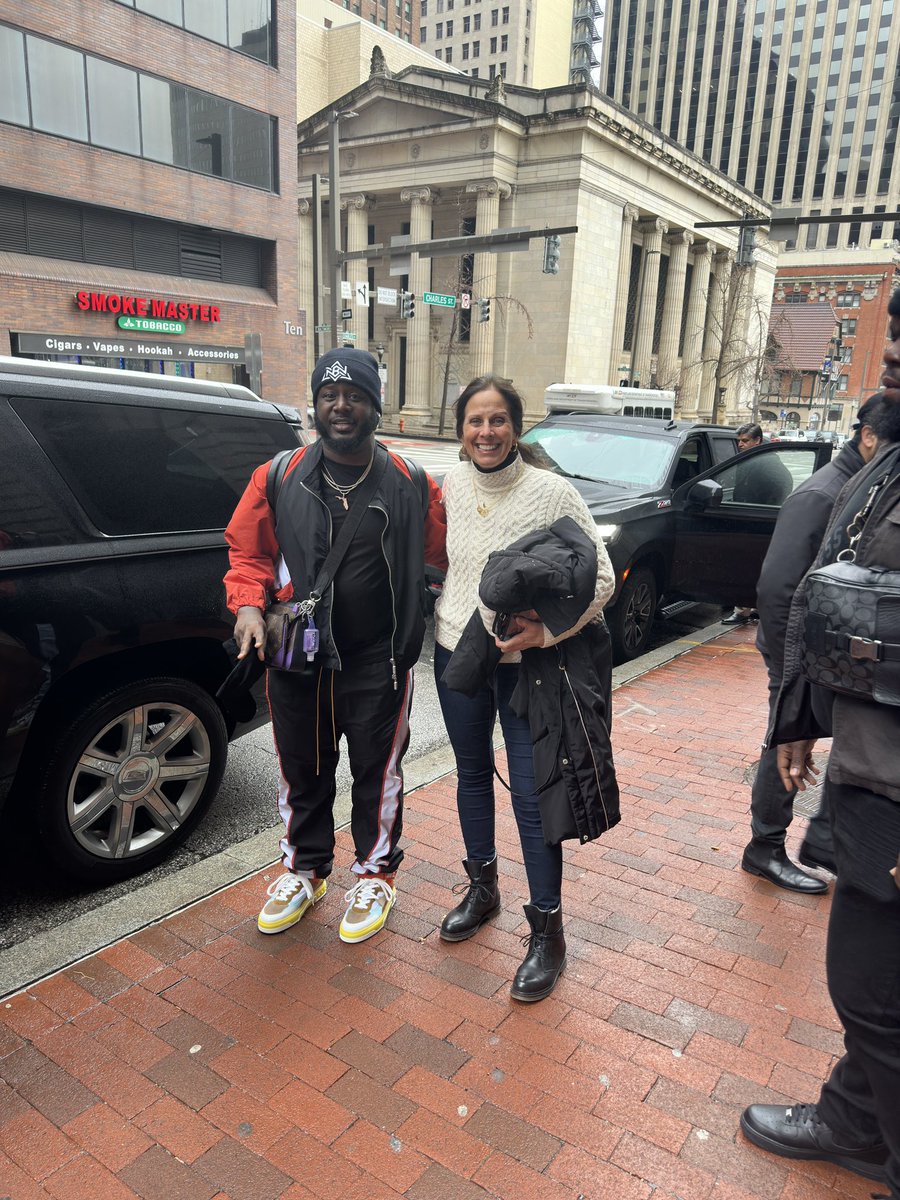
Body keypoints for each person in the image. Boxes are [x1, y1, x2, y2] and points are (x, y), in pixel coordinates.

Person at [740, 295, 900, 1198]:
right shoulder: (879, 473)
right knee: (872, 983)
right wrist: (797, 703)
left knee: (869, 987)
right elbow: (818, 593)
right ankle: (853, 1118)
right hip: (870, 765)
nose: (892, 357)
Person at [224, 347, 447, 943]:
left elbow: (449, 553)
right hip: (297, 658)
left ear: (375, 406)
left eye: (354, 396)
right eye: (330, 395)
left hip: (379, 660)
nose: (341, 406)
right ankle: (305, 869)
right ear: (316, 404)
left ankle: (376, 874)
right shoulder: (278, 475)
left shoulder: (411, 483)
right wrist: (248, 605)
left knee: (378, 774)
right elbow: (248, 551)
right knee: (302, 770)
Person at [433, 374, 617, 1003]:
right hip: (457, 652)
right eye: (475, 421)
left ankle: (547, 931)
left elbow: (602, 578)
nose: (486, 432)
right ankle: (482, 889)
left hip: (524, 667)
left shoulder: (550, 491)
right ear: (461, 429)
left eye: (498, 420)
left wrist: (547, 633)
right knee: (469, 773)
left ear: (515, 427)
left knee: (534, 794)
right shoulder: (453, 484)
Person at [742, 394, 887, 893]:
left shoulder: (861, 486)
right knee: (788, 735)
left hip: (828, 650)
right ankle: (764, 847)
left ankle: (827, 845)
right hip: (799, 650)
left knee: (829, 735)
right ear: (868, 435)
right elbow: (776, 588)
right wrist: (796, 668)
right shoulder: (824, 494)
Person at [722, 422, 770, 624]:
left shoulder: (765, 461)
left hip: (756, 520)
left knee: (745, 567)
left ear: (757, 440)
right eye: (739, 441)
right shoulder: (753, 458)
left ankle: (742, 611)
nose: (740, 444)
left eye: (745, 440)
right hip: (751, 518)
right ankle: (753, 607)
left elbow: (777, 486)